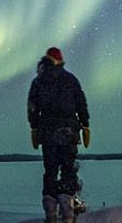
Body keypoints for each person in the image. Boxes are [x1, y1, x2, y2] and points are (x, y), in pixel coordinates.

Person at [28, 47, 91, 223]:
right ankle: (68, 212)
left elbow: (32, 107)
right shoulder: (70, 80)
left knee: (50, 170)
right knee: (68, 169)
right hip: (69, 131)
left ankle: (50, 212)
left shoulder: (38, 82)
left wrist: (34, 128)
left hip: (47, 131)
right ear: (60, 61)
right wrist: (85, 125)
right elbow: (81, 103)